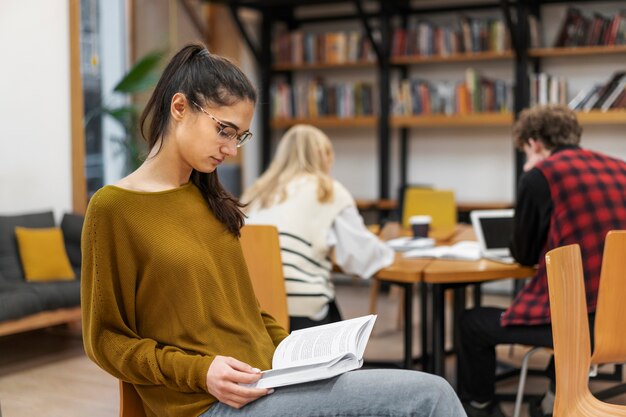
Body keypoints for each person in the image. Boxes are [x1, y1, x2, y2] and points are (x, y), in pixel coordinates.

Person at [81, 43, 466, 417]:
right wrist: (201, 372)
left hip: (270, 380)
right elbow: (106, 341)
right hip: (206, 402)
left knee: (419, 394)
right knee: (430, 396)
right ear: (180, 107)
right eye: (225, 131)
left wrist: (298, 352)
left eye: (240, 136)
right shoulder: (114, 209)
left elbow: (245, 310)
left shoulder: (206, 199)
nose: (232, 149)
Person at [458, 104, 626, 417]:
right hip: (621, 318)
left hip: (582, 327)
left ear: (534, 142)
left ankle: (480, 406)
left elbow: (523, 254)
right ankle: (552, 399)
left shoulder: (541, 177)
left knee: (472, 323)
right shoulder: (620, 168)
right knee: (580, 306)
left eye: (524, 151)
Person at [241, 124, 395, 331]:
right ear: (324, 156)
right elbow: (361, 257)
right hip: (300, 313)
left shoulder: (255, 193)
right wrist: (390, 250)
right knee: (345, 343)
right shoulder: (327, 190)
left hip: (251, 308)